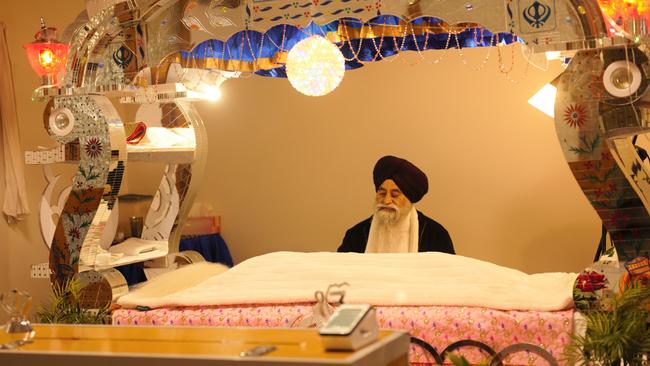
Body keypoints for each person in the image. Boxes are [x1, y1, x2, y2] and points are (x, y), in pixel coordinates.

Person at [337, 155, 454, 254]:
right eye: (382, 193)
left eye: (395, 195)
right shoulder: (356, 235)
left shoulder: (435, 235)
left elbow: (449, 277)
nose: (387, 201)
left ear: (409, 198)